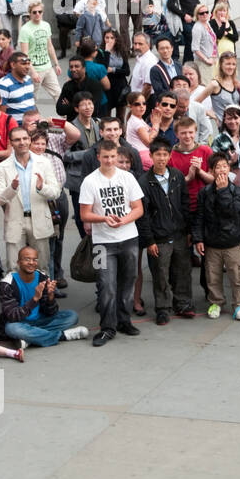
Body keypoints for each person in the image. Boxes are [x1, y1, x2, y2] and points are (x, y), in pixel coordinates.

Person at [79, 140, 146, 346]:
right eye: (105, 157)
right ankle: (107, 327)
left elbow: (138, 208)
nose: (109, 160)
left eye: (112, 156)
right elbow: (84, 214)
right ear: (98, 157)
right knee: (106, 285)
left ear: (117, 156)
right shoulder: (90, 181)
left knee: (128, 281)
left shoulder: (128, 177)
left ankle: (124, 320)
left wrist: (123, 220)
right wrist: (104, 219)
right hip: (102, 243)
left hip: (129, 239)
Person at [137, 137, 192, 325]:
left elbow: (185, 203)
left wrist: (188, 230)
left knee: (182, 270)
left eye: (165, 154)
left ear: (170, 156)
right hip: (159, 237)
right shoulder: (144, 182)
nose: (161, 158)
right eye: (158, 154)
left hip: (179, 233)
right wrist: (149, 240)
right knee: (160, 273)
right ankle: (162, 308)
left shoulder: (176, 175)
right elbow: (142, 215)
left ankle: (183, 303)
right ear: (151, 156)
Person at [0, 124, 61, 269]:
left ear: (30, 140)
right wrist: (11, 188)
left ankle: (42, 291)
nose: (22, 142)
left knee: (42, 266)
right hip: (15, 220)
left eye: (25, 138)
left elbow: (56, 192)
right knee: (14, 267)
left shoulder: (44, 163)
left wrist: (41, 187)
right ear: (11, 143)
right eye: (17, 140)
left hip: (39, 220)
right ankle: (16, 292)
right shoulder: (2, 167)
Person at [193, 152, 240, 321]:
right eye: (218, 167)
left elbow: (232, 212)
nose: (222, 170)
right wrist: (198, 238)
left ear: (229, 168)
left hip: (232, 241)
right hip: (212, 241)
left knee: (237, 274)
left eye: (225, 166)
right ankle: (216, 302)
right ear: (211, 170)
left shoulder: (237, 191)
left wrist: (223, 191)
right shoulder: (204, 192)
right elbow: (199, 216)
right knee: (213, 276)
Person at [0, 246, 87, 348]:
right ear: (19, 262)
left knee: (72, 316)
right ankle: (62, 336)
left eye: (34, 259)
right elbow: (13, 316)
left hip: (40, 320)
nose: (31, 262)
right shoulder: (7, 284)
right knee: (12, 329)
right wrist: (34, 299)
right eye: (27, 259)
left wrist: (50, 296)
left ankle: (30, 339)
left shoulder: (42, 278)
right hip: (19, 323)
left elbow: (51, 312)